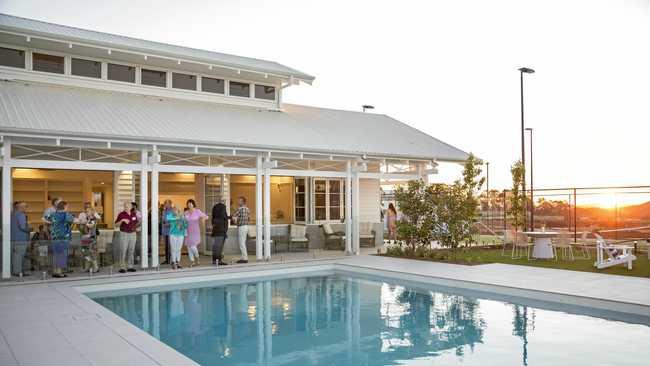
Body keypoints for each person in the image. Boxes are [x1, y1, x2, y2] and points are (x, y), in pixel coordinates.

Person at [50, 200, 77, 278]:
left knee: (56, 254)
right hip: (63, 237)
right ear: (64, 207)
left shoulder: (53, 214)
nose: (68, 208)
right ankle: (59, 272)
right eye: (67, 206)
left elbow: (45, 219)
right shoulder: (66, 214)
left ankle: (55, 271)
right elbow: (76, 221)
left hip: (55, 237)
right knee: (62, 254)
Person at [115, 202, 139, 273]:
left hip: (133, 234)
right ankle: (122, 267)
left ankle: (130, 266)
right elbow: (116, 225)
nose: (126, 208)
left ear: (131, 207)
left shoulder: (133, 214)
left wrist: (135, 227)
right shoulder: (121, 214)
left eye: (127, 206)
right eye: (125, 206)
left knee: (131, 250)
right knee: (123, 250)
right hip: (124, 234)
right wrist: (122, 220)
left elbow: (136, 223)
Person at [184, 199, 208, 267]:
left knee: (193, 246)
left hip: (195, 231)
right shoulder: (186, 212)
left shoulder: (197, 211)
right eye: (188, 204)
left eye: (190, 204)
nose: (189, 205)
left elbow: (206, 216)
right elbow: (183, 221)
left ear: (193, 204)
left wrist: (203, 219)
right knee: (189, 247)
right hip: (187, 231)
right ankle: (192, 261)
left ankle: (197, 258)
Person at [78, 202, 101, 272]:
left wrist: (84, 223)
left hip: (91, 238)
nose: (86, 212)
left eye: (88, 211)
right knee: (85, 252)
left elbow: (90, 226)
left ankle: (95, 266)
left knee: (92, 252)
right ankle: (87, 267)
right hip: (85, 237)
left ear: (91, 212)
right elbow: (81, 226)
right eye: (86, 211)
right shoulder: (87, 218)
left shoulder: (93, 219)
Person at [11, 201, 32, 276]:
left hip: (12, 239)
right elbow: (23, 227)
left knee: (15, 256)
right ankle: (18, 272)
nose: (26, 209)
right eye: (26, 207)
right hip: (21, 239)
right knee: (19, 257)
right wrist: (30, 229)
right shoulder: (21, 215)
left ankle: (16, 271)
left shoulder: (12, 214)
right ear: (22, 207)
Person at [210, 197, 229, 266]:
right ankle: (218, 260)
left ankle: (214, 260)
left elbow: (213, 217)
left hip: (216, 229)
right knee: (219, 246)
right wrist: (230, 217)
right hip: (221, 229)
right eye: (225, 200)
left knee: (216, 245)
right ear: (223, 201)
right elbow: (223, 216)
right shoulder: (223, 207)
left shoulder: (214, 207)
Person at [232, 196, 250, 264]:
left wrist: (235, 221)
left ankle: (245, 258)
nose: (238, 202)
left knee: (241, 243)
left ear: (242, 202)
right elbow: (249, 219)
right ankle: (243, 257)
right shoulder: (247, 209)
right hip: (246, 227)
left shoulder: (240, 209)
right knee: (243, 242)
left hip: (241, 227)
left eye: (239, 201)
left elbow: (234, 217)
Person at [160, 200, 173, 264]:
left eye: (167, 203)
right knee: (166, 246)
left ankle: (170, 260)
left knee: (169, 246)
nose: (166, 205)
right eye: (165, 203)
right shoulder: (164, 211)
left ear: (170, 204)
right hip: (164, 231)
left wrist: (167, 224)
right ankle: (167, 259)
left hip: (170, 231)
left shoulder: (172, 211)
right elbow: (163, 220)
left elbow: (172, 221)